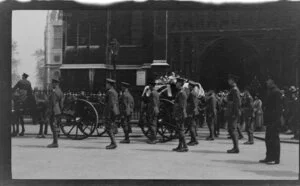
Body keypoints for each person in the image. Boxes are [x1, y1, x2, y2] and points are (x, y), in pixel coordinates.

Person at [259, 77, 282, 164]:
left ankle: (276, 158)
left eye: (268, 81)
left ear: (272, 82)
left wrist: (276, 120)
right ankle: (269, 156)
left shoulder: (276, 92)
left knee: (274, 139)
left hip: (274, 120)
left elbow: (278, 108)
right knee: (268, 139)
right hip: (270, 119)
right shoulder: (271, 91)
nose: (266, 82)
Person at [226, 74, 242, 153]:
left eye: (229, 79)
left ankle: (236, 148)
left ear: (233, 80)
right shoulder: (233, 89)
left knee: (232, 129)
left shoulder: (235, 89)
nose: (228, 81)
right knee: (231, 129)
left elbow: (237, 102)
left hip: (233, 112)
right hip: (231, 111)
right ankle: (235, 147)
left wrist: (235, 113)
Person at [103, 78, 120, 149]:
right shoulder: (115, 92)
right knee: (110, 127)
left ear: (109, 84)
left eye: (107, 84)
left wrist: (108, 114)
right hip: (114, 111)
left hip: (110, 112)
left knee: (108, 128)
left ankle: (113, 143)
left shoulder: (110, 92)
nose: (106, 85)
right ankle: (113, 142)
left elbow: (111, 104)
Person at [172, 77, 188, 152]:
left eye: (177, 83)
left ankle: (184, 146)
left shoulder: (181, 93)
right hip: (180, 114)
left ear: (180, 84)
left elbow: (182, 106)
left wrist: (178, 115)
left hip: (180, 114)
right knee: (180, 130)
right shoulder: (181, 92)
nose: (176, 84)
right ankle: (181, 146)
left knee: (181, 130)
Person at [47, 78, 64, 148]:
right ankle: (55, 141)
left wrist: (49, 111)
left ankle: (55, 142)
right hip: (58, 110)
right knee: (55, 125)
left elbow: (52, 103)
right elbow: (61, 103)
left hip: (54, 111)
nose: (52, 85)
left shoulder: (54, 92)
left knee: (53, 126)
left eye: (52, 83)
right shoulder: (60, 91)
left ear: (55, 84)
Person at [146, 80, 160, 144]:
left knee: (152, 124)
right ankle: (153, 138)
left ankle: (154, 139)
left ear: (151, 86)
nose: (149, 86)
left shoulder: (153, 93)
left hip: (152, 110)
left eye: (149, 85)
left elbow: (154, 103)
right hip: (155, 110)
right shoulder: (156, 92)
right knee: (154, 124)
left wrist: (153, 110)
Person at [186, 81, 199, 145]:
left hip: (191, 112)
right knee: (192, 126)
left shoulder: (192, 93)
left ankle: (194, 140)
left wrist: (191, 113)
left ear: (191, 86)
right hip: (192, 112)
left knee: (191, 127)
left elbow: (194, 104)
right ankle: (193, 140)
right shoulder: (193, 93)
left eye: (189, 85)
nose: (188, 86)